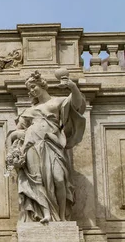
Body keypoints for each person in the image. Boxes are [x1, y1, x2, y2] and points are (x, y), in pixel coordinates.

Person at [6, 71, 86, 223]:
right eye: (29, 89)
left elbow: (77, 104)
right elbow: (15, 132)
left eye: (33, 86)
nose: (32, 91)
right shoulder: (28, 111)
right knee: (37, 180)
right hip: (32, 146)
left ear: (42, 84)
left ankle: (61, 217)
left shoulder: (57, 102)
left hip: (52, 144)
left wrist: (72, 86)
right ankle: (46, 213)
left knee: (59, 179)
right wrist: (18, 135)